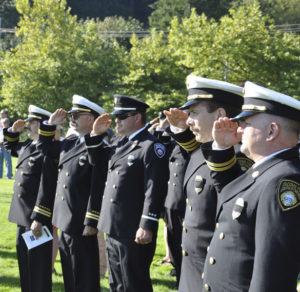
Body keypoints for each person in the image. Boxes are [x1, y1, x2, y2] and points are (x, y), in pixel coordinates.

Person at [201, 81, 300, 292]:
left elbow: (272, 270)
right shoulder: (265, 170)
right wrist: (221, 147)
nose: (239, 128)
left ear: (271, 131)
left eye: (246, 122)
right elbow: (228, 190)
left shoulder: (281, 181)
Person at [164, 75, 253, 291]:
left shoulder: (237, 158)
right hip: (191, 271)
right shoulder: (204, 150)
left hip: (214, 277)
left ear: (220, 115)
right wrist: (180, 129)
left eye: (194, 113)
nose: (189, 120)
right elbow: (195, 155)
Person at [85, 94, 169, 292]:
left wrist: (147, 224)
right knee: (117, 283)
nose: (116, 121)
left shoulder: (151, 146)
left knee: (134, 283)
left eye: (121, 117)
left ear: (137, 117)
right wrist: (96, 135)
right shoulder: (119, 142)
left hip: (133, 228)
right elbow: (95, 161)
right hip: (113, 224)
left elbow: (154, 188)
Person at [37, 95, 106, 292]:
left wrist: (91, 220)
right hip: (65, 220)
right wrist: (50, 126)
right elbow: (45, 150)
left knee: (84, 279)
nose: (72, 118)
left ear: (91, 120)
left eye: (77, 114)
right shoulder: (70, 143)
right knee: (70, 277)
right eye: (72, 114)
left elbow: (97, 186)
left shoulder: (99, 147)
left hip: (80, 223)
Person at [3, 105, 52, 292]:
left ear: (43, 125)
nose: (29, 125)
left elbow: (46, 186)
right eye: (29, 122)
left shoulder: (47, 150)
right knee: (26, 266)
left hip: (35, 218)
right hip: (21, 217)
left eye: (33, 122)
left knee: (38, 269)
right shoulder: (27, 146)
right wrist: (12, 131)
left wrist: (39, 218)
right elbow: (10, 147)